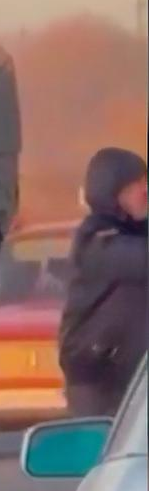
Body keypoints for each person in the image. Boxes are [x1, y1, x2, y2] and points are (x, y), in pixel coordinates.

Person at [59, 147, 148, 417]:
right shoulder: (97, 239)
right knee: (103, 453)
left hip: (133, 373)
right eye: (137, 186)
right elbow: (141, 260)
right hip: (99, 375)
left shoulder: (135, 231)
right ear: (113, 193)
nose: (145, 192)